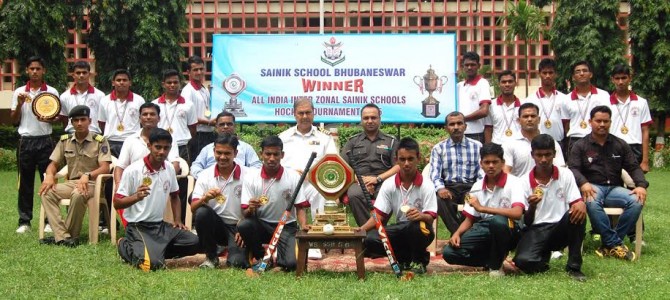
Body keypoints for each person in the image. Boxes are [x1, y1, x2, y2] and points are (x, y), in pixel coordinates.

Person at [568, 106, 647, 261]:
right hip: (592, 187)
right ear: (590, 122)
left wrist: (641, 186)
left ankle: (609, 244)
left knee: (637, 200)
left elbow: (633, 167)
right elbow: (573, 169)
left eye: (606, 121)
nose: (602, 124)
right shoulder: (580, 145)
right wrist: (583, 183)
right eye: (598, 121)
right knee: (591, 201)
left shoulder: (620, 144)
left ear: (611, 122)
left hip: (615, 189)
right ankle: (615, 244)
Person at [115, 128, 200, 271]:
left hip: (160, 226)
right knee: (151, 265)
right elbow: (117, 203)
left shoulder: (169, 168)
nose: (162, 152)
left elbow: (175, 196)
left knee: (195, 242)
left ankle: (155, 251)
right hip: (138, 226)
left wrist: (178, 220)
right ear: (149, 146)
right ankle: (124, 244)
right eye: (158, 147)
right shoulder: (133, 170)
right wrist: (136, 197)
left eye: (166, 148)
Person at [512, 134, 587, 282]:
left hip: (560, 227)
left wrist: (581, 204)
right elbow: (527, 222)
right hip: (537, 229)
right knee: (522, 262)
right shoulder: (523, 181)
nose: (544, 159)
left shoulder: (566, 174)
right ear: (532, 155)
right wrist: (532, 206)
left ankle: (574, 267)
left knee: (578, 211)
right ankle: (543, 260)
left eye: (548, 154)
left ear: (554, 154)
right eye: (539, 155)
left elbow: (576, 201)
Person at [442, 143, 524, 277]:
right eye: (487, 162)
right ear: (481, 164)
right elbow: (470, 218)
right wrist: (456, 233)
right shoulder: (477, 186)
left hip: (510, 229)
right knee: (449, 253)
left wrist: (483, 208)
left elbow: (517, 213)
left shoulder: (514, 182)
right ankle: (492, 259)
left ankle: (495, 267)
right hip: (484, 228)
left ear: (502, 163)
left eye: (495, 162)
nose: (491, 166)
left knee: (497, 222)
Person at [359, 137, 437, 274]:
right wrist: (361, 230)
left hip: (422, 229)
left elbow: (431, 217)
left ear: (418, 158)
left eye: (410, 159)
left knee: (415, 227)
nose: (406, 163)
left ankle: (419, 261)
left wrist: (421, 215)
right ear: (396, 160)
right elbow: (379, 215)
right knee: (370, 239)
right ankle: (404, 258)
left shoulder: (427, 185)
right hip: (400, 228)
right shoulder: (389, 184)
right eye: (402, 159)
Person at [38, 105, 112, 246]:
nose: (79, 123)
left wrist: (88, 175)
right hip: (71, 183)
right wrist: (49, 175)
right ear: (71, 123)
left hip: (93, 184)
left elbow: (105, 167)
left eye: (83, 119)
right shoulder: (65, 140)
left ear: (89, 121)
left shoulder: (100, 141)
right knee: (46, 193)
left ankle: (71, 235)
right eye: (76, 120)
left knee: (78, 194)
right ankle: (63, 236)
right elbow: (53, 164)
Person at [238, 136, 310, 271]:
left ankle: (282, 262)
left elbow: (300, 206)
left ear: (282, 155)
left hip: (286, 226)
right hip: (261, 223)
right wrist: (250, 208)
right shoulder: (251, 177)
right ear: (261, 154)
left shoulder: (293, 176)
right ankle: (262, 257)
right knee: (244, 225)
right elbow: (245, 212)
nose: (271, 158)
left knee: (291, 264)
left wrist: (303, 224)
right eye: (268, 154)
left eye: (276, 154)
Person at [278, 97, 338, 259]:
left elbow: (332, 162)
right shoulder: (283, 137)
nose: (304, 116)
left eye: (308, 113)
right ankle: (285, 239)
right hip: (288, 183)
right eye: (301, 113)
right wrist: (293, 174)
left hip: (314, 182)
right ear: (294, 114)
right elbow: (275, 162)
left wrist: (310, 174)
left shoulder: (324, 138)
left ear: (314, 113)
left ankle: (314, 241)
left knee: (320, 193)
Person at [10, 56, 59, 234]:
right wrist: (20, 105)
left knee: (49, 181)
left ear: (43, 70)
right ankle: (24, 221)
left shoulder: (51, 91)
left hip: (45, 140)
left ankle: (49, 220)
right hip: (26, 141)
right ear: (27, 71)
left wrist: (48, 118)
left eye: (38, 69)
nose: (35, 72)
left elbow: (56, 118)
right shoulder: (19, 92)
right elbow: (14, 121)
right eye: (32, 69)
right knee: (25, 183)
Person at [114, 103, 181, 228]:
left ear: (159, 118)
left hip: (161, 184)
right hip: (134, 186)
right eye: (145, 114)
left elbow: (175, 164)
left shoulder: (168, 138)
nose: (148, 117)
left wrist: (165, 180)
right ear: (140, 118)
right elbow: (120, 166)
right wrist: (119, 185)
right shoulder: (130, 140)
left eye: (152, 114)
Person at [191, 134, 248, 269]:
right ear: (214, 152)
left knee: (237, 264)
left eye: (227, 153)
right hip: (217, 226)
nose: (222, 157)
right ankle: (211, 257)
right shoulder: (205, 175)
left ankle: (246, 252)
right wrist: (204, 198)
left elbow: (255, 206)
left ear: (236, 153)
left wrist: (245, 225)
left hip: (239, 227)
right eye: (219, 152)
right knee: (202, 212)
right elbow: (193, 208)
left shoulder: (249, 174)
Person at [340, 103, 399, 226]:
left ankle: (369, 233)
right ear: (361, 120)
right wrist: (360, 180)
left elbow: (398, 166)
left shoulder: (391, 141)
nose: (370, 121)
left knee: (391, 193)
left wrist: (377, 179)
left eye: (373, 117)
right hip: (358, 181)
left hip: (383, 180)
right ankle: (374, 233)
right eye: (366, 118)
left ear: (379, 119)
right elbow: (342, 166)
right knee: (354, 194)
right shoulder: (352, 142)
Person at [429, 111, 482, 235]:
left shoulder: (477, 146)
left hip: (470, 187)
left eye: (459, 123)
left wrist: (475, 190)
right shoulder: (438, 148)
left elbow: (482, 173)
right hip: (449, 188)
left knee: (476, 198)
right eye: (452, 124)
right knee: (439, 200)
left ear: (465, 126)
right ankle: (460, 235)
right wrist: (440, 188)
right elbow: (434, 173)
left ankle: (458, 235)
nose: (456, 127)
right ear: (446, 128)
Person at [608, 63, 653, 173]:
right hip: (612, 147)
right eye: (617, 78)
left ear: (630, 78)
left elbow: (645, 131)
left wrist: (645, 160)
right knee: (614, 185)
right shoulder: (605, 102)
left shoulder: (641, 102)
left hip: (635, 148)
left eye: (624, 78)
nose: (620, 82)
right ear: (612, 80)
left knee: (635, 186)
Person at [190, 111, 262, 179]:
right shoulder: (207, 149)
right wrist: (208, 178)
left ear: (235, 126)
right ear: (216, 127)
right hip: (211, 186)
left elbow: (257, 166)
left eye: (229, 124)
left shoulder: (246, 148)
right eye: (222, 124)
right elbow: (195, 167)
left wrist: (242, 178)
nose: (225, 127)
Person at [503, 103, 565, 177]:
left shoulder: (551, 142)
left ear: (539, 120)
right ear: (518, 121)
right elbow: (506, 172)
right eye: (525, 116)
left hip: (547, 186)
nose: (529, 119)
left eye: (533, 116)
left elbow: (561, 170)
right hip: (519, 187)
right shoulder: (509, 143)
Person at [563, 61, 610, 158]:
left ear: (591, 74)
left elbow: (607, 119)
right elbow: (566, 125)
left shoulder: (603, 95)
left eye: (585, 70)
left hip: (598, 139)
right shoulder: (566, 99)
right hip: (576, 140)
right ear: (573, 77)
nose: (581, 73)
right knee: (575, 171)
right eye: (577, 71)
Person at [153, 69, 197, 163]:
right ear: (163, 84)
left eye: (175, 82)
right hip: (161, 146)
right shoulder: (155, 104)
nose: (172, 85)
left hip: (182, 146)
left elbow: (192, 128)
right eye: (169, 82)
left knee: (183, 175)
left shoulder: (188, 105)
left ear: (180, 84)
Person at [98, 69, 145, 157]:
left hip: (133, 141)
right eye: (118, 80)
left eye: (124, 80)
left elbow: (143, 123)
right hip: (111, 141)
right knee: (112, 169)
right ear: (113, 83)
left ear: (130, 83)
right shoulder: (104, 100)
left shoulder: (139, 100)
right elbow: (102, 123)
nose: (121, 82)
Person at [524, 59, 569, 147]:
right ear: (539, 74)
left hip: (558, 142)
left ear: (556, 74)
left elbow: (566, 124)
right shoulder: (530, 99)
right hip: (537, 142)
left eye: (551, 72)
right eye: (544, 73)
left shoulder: (564, 98)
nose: (547, 76)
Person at [182, 55, 216, 163]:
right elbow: (188, 116)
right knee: (198, 163)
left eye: (201, 69)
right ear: (189, 72)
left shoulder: (203, 88)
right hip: (197, 135)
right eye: (195, 70)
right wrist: (209, 122)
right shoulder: (187, 91)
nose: (199, 72)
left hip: (208, 133)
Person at [59, 61, 105, 134]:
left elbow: (102, 120)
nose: (81, 75)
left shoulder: (100, 95)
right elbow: (64, 119)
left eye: (84, 72)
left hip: (93, 135)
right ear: (73, 75)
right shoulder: (64, 96)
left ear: (89, 74)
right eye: (78, 73)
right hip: (72, 135)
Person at [457, 51, 492, 144]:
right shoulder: (459, 86)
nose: (469, 67)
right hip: (458, 133)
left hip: (475, 134)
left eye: (473, 65)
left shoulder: (483, 83)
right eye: (467, 65)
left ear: (479, 66)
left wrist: (462, 119)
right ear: (462, 66)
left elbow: (484, 111)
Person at [484, 70, 522, 145]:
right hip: (498, 146)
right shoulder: (491, 105)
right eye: (503, 82)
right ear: (499, 84)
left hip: (518, 145)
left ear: (515, 83)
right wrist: (489, 149)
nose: (507, 84)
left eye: (510, 81)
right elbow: (488, 129)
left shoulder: (523, 104)